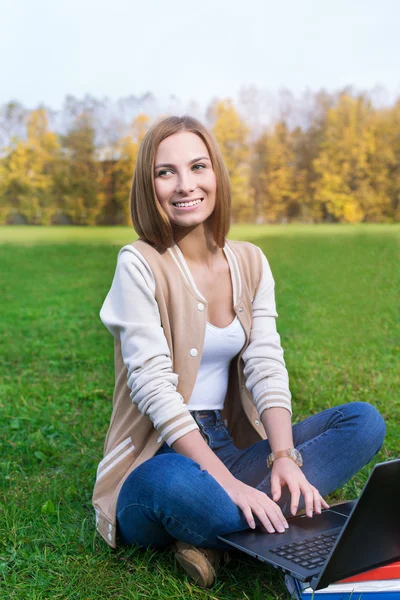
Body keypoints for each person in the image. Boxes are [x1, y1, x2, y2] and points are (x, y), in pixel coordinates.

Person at [92, 115, 386, 588]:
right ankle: (264, 513)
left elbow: (266, 361)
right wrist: (229, 485)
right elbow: (153, 388)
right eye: (165, 172)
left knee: (363, 421)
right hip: (161, 457)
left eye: (198, 166)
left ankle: (226, 526)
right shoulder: (139, 263)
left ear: (216, 175)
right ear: (149, 186)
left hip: (228, 447)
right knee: (174, 485)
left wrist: (284, 459)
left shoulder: (249, 260)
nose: (185, 184)